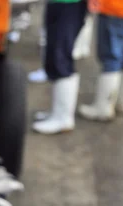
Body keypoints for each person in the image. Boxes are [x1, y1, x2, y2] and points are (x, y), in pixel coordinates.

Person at [32, 0, 87, 134]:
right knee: (53, 53)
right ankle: (56, 112)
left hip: (70, 5)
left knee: (60, 56)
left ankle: (63, 118)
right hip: (58, 4)